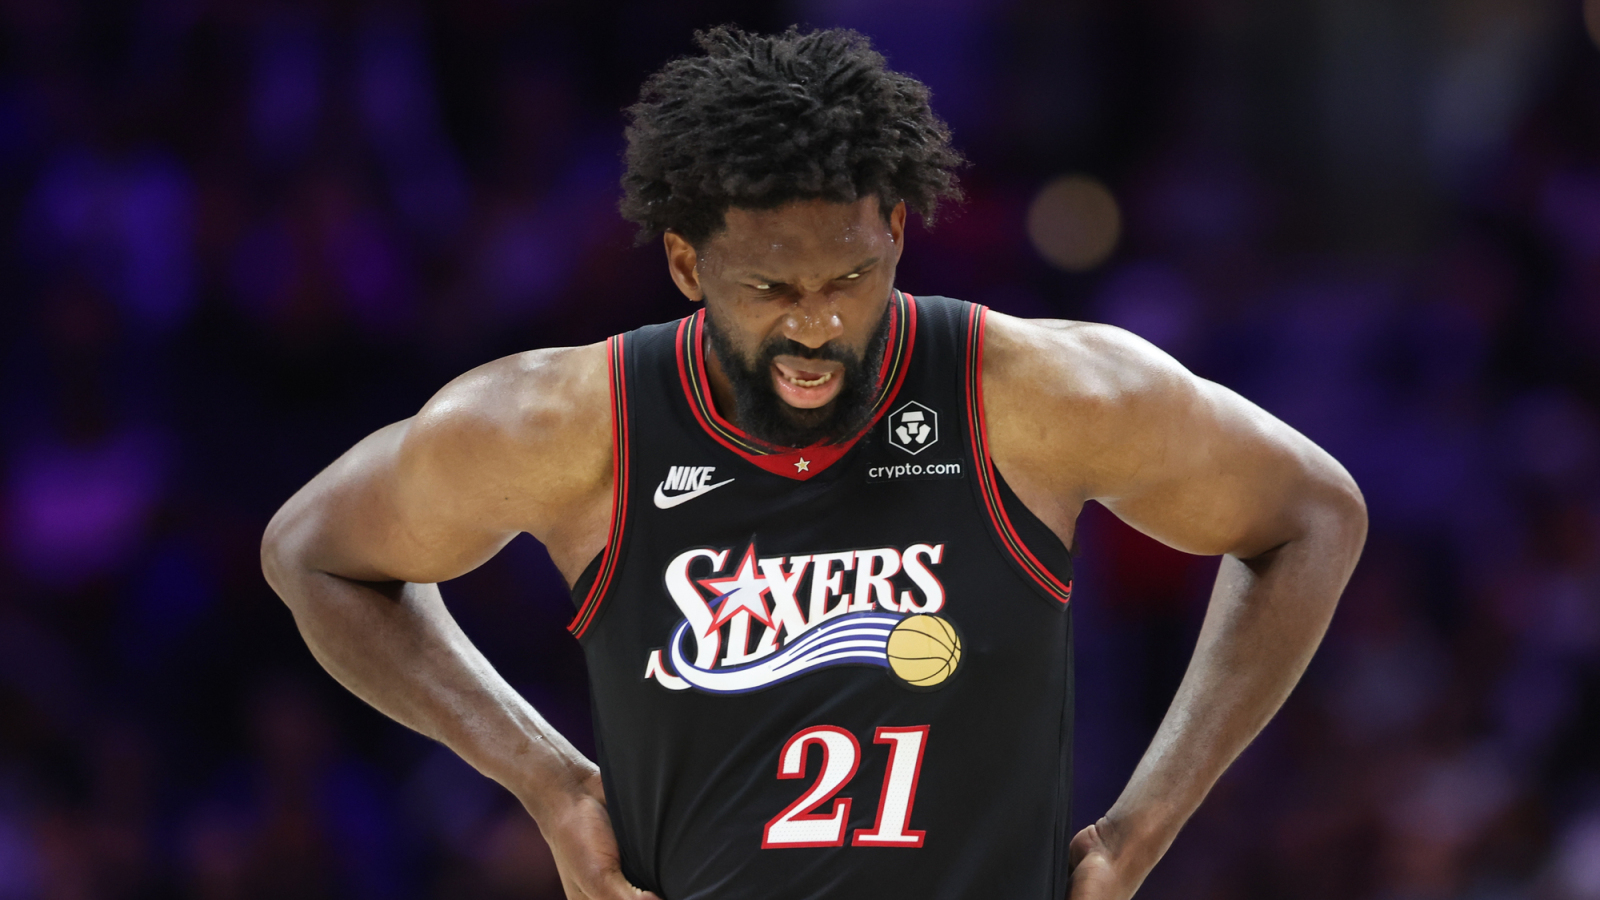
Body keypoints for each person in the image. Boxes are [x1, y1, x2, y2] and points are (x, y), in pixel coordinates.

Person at [261, 25, 1366, 900]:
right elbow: (312, 553)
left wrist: (1140, 832)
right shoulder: (572, 423)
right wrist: (545, 781)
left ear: (896, 232)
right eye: (770, 291)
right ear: (687, 264)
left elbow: (1313, 513)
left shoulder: (1034, 396)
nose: (816, 326)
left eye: (848, 280)